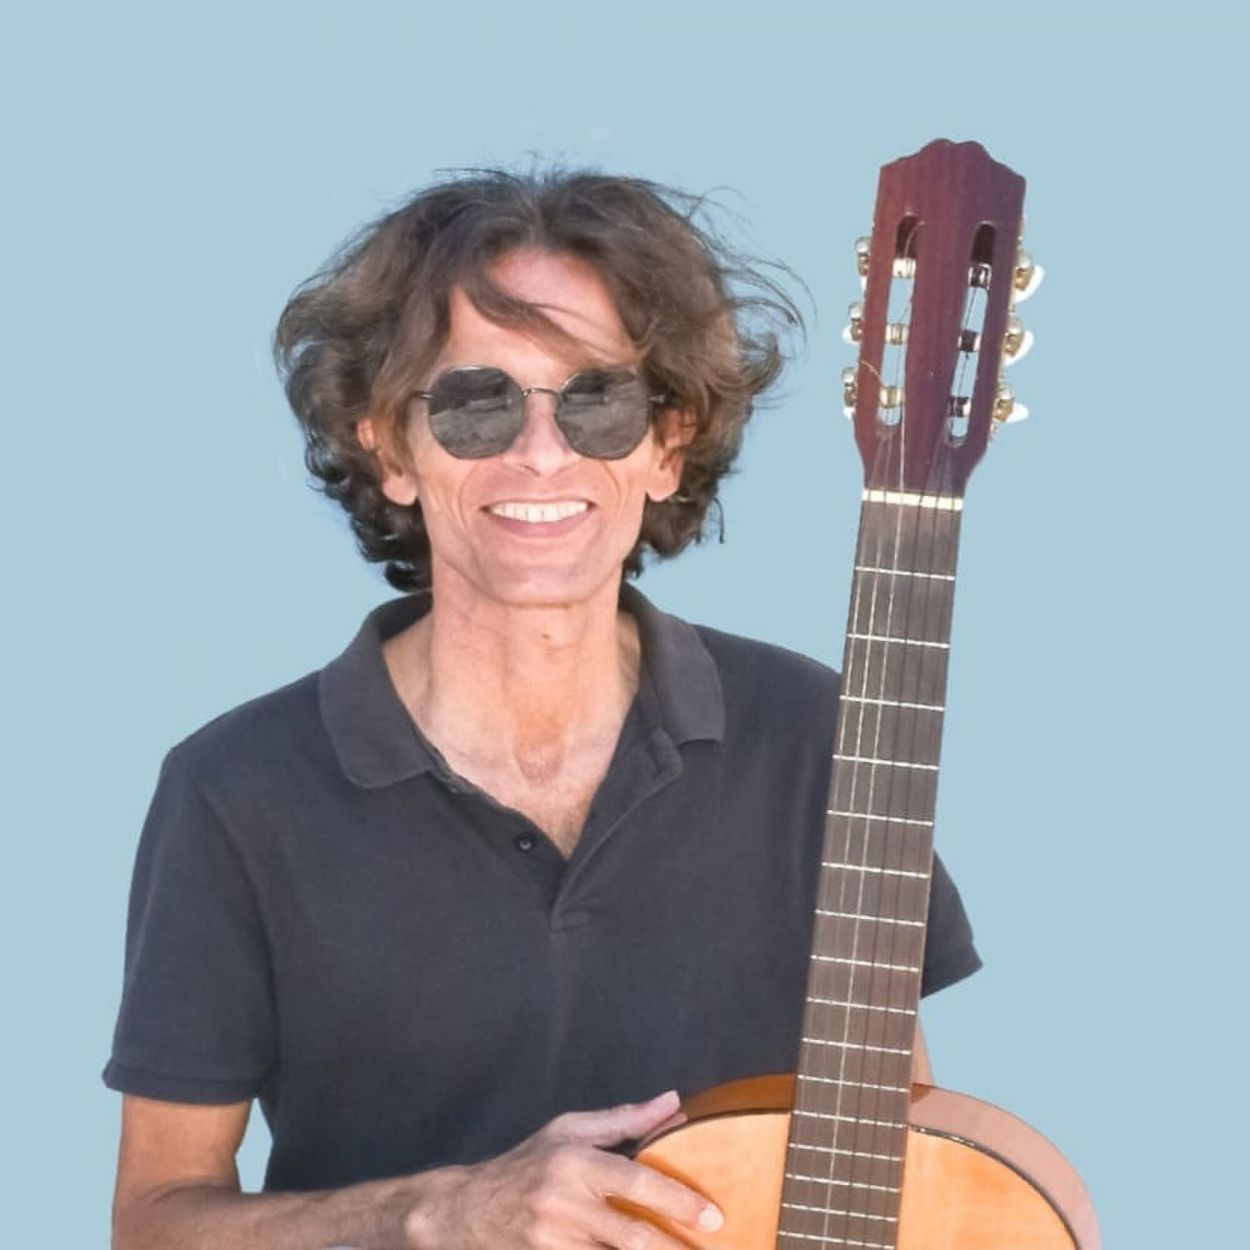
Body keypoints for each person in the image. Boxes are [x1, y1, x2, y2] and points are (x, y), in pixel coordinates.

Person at [104, 169, 980, 1249]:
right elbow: (153, 1222)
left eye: (597, 401)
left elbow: (905, 1153)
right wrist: (436, 1209)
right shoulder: (236, 789)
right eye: (475, 404)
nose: (539, 452)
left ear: (667, 447)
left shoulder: (811, 733)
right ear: (389, 448)